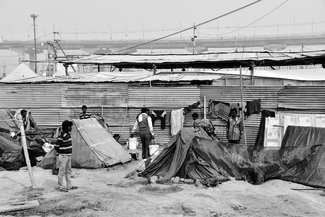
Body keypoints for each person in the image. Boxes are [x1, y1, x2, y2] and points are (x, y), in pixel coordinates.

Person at [55, 120, 77, 192]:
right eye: (70, 127)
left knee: (68, 171)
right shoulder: (62, 136)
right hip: (64, 156)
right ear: (67, 127)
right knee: (61, 171)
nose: (71, 128)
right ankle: (60, 186)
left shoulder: (68, 135)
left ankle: (69, 186)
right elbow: (56, 146)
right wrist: (60, 152)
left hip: (68, 155)